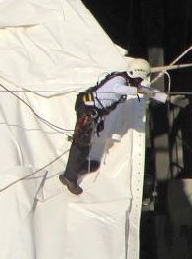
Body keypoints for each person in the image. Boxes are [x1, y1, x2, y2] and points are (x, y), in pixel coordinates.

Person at [59, 58, 170, 195]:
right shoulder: (119, 82)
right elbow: (119, 89)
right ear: (136, 75)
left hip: (91, 108)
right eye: (140, 79)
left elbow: (146, 90)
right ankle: (69, 177)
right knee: (80, 143)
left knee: (86, 142)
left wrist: (166, 98)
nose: (140, 82)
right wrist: (135, 90)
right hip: (87, 109)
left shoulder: (128, 79)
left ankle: (80, 165)